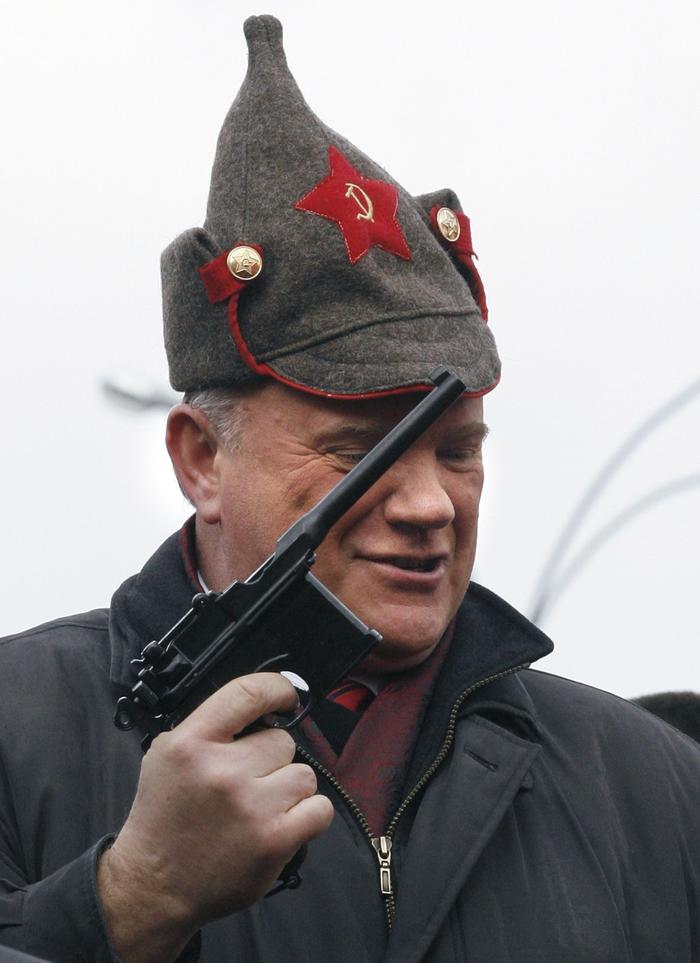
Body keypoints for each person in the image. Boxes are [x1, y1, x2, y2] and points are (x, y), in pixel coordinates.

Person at [1, 15, 698, 963]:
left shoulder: (657, 789)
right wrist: (129, 900)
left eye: (459, 451)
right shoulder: (17, 735)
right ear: (201, 459)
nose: (430, 505)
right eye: (361, 453)